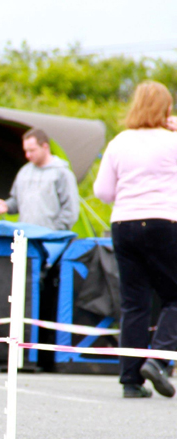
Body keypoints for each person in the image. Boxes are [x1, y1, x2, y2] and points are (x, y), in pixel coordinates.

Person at [94, 80, 177, 399]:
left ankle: (130, 380)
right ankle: (158, 361)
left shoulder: (119, 142)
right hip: (163, 222)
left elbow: (103, 191)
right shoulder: (171, 142)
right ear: (166, 108)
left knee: (134, 303)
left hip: (124, 223)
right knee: (173, 296)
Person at [0, 128, 80, 231]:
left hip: (50, 240)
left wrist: (55, 231)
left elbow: (71, 209)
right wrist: (6, 205)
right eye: (26, 151)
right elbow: (16, 200)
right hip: (25, 235)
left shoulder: (61, 173)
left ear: (45, 146)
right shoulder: (24, 171)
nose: (27, 155)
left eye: (32, 150)